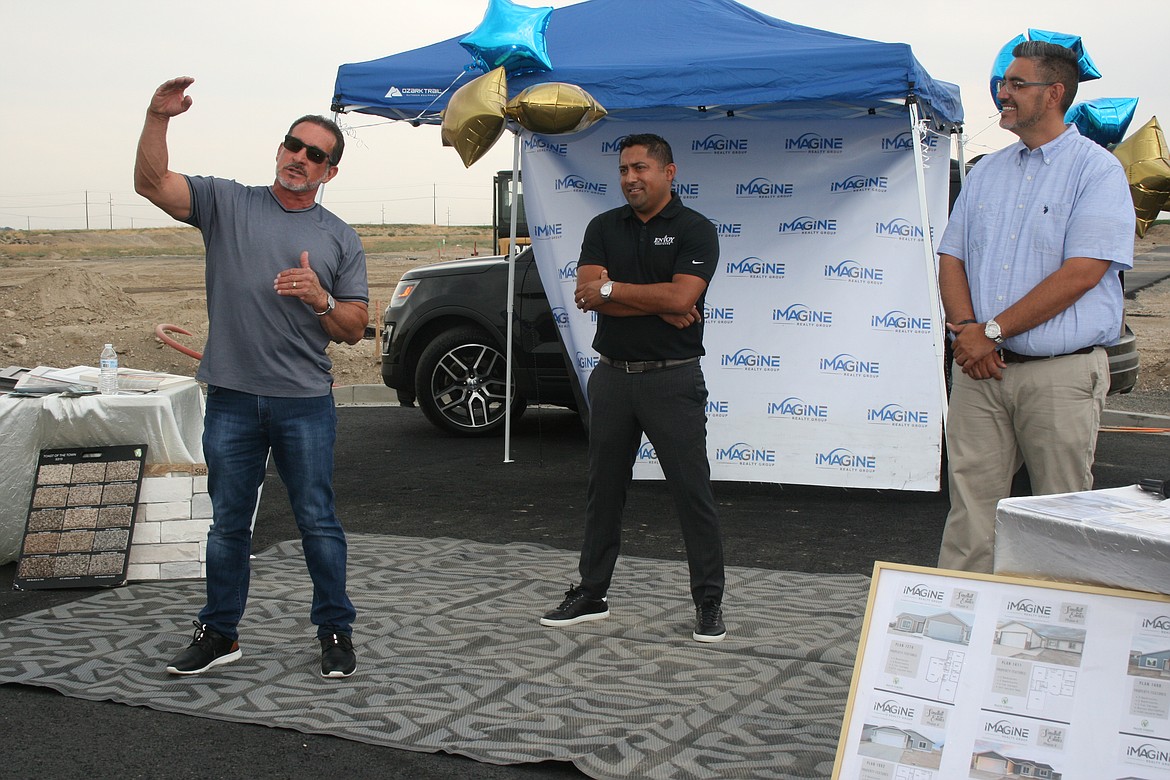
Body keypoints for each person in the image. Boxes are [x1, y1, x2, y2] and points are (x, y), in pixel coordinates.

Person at [134, 76, 369, 676]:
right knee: (227, 525)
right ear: (280, 148)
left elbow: (354, 326)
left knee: (317, 520)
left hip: (304, 403)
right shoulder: (226, 202)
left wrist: (320, 298)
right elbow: (152, 183)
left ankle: (336, 634)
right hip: (233, 397)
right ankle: (220, 633)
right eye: (294, 145)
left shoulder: (339, 237)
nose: (300, 158)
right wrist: (158, 118)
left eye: (316, 155)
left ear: (329, 173)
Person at [937, 42, 1135, 573]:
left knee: (1061, 522)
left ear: (1054, 94)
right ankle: (958, 640)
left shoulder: (1097, 172)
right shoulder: (986, 172)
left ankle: (1052, 646)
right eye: (1004, 84)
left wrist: (990, 331)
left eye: (1017, 85)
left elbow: (1082, 274)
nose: (1003, 93)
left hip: (1060, 375)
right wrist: (965, 332)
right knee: (969, 519)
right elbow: (951, 258)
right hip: (982, 372)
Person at [540, 133, 727, 642]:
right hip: (613, 377)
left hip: (673, 377)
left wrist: (614, 291)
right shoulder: (604, 227)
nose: (630, 179)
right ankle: (591, 592)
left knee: (693, 494)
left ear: (669, 172)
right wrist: (656, 301)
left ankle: (709, 601)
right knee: (604, 491)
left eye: (640, 168)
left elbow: (683, 294)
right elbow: (586, 294)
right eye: (623, 169)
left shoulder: (695, 230)